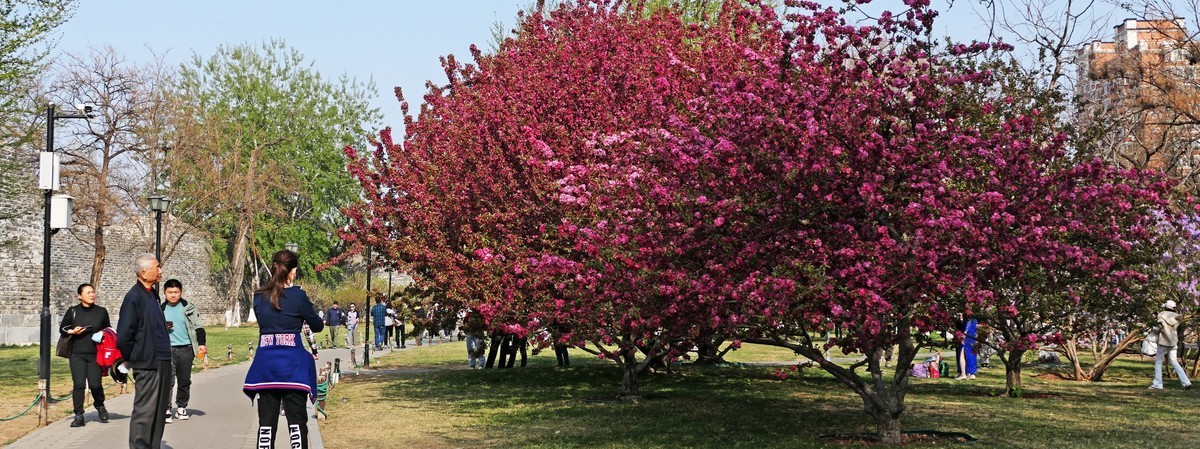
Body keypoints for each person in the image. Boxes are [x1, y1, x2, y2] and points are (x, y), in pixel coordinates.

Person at [243, 249, 324, 449]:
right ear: (293, 271)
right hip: (292, 369)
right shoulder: (298, 296)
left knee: (266, 425)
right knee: (297, 422)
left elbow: (266, 321)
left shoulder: (259, 296)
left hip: (266, 368)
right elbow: (317, 326)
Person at [116, 253, 172, 449]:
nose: (160, 270)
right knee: (145, 411)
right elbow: (124, 336)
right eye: (157, 267)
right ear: (143, 272)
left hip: (163, 360)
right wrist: (135, 357)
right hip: (147, 363)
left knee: (159, 411)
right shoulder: (134, 297)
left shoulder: (153, 294)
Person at [60, 283, 112, 427]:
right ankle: (78, 415)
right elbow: (63, 328)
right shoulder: (73, 311)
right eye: (88, 292)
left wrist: (102, 334)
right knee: (79, 385)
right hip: (77, 354)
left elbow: (109, 329)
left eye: (93, 292)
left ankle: (100, 406)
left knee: (95, 385)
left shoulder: (101, 311)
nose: (92, 294)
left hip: (95, 354)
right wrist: (73, 331)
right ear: (79, 296)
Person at [160, 278, 206, 423]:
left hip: (186, 349)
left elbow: (198, 327)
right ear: (164, 293)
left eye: (176, 292)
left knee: (184, 380)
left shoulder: (188, 307)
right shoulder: (160, 309)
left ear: (181, 292)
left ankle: (181, 407)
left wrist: (201, 344)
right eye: (170, 292)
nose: (173, 295)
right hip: (168, 350)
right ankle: (166, 409)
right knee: (168, 380)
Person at [1150, 300, 1192, 390]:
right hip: (1173, 342)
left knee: (1158, 362)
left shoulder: (1161, 315)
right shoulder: (1177, 317)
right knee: (1174, 362)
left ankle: (1158, 383)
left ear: (1166, 307)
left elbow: (1157, 329)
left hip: (1164, 341)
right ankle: (1186, 382)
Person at [955, 315, 978, 380]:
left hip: (967, 337)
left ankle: (963, 374)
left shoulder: (969, 319)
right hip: (972, 337)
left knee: (962, 355)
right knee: (971, 355)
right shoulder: (974, 319)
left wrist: (963, 336)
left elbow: (967, 327)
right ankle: (971, 373)